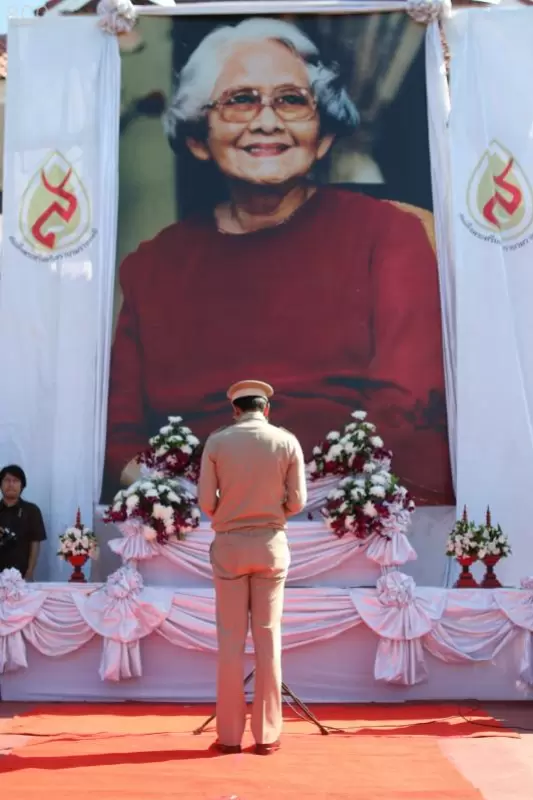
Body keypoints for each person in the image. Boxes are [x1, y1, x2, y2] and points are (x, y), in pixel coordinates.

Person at [104, 17, 454, 507]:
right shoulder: (153, 265)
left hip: (353, 510)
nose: (267, 121)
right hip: (198, 516)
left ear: (323, 135)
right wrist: (192, 499)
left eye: (291, 99)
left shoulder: (388, 235)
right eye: (240, 99)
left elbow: (405, 404)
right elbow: (119, 434)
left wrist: (288, 495)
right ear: (198, 137)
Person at [198, 379, 306, 755]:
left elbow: (206, 503)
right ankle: (267, 735)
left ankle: (229, 736)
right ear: (266, 409)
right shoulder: (286, 441)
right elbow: (298, 502)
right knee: (268, 639)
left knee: (230, 641)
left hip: (229, 546)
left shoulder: (217, 442)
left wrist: (230, 512)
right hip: (270, 545)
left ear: (235, 409)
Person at [0, 465, 46, 580]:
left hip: (21, 575)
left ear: (22, 485)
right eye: (7, 480)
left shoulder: (32, 510)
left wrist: (30, 571)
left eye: (15, 481)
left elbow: (35, 542)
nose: (11, 484)